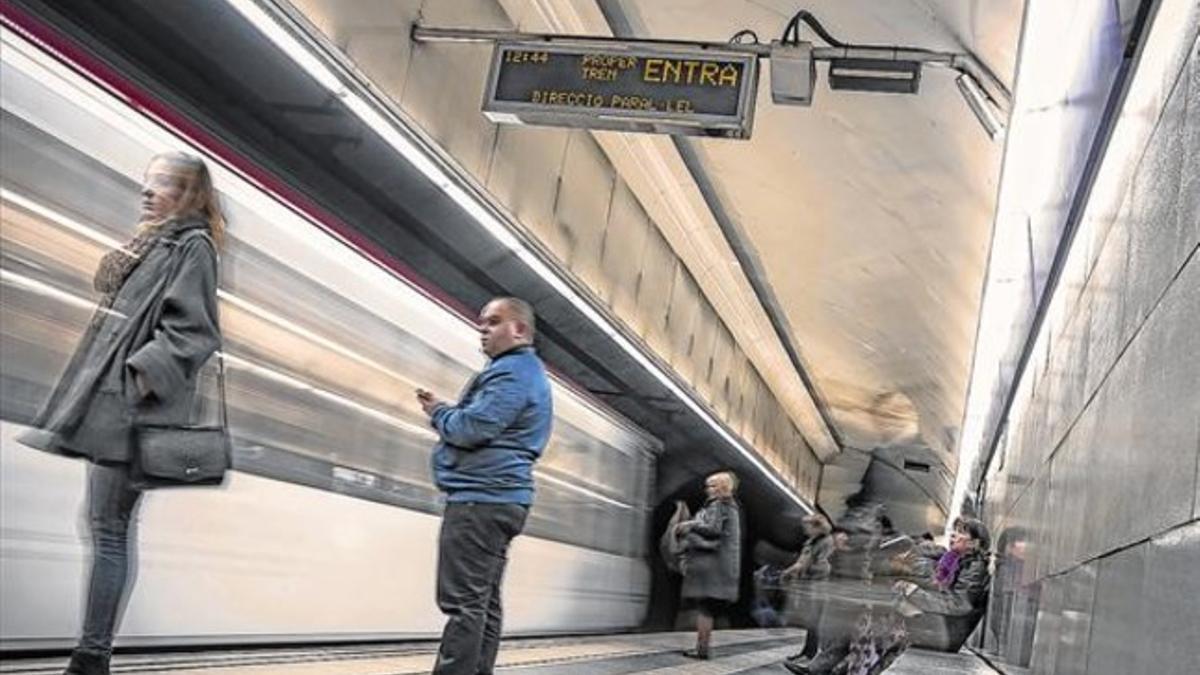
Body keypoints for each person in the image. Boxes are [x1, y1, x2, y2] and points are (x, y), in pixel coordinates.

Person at [19, 152, 225, 675]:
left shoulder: (192, 246)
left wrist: (139, 377)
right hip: (114, 410)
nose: (149, 191)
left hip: (132, 415)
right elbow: (108, 287)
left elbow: (194, 333)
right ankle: (93, 653)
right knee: (105, 526)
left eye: (164, 185)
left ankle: (92, 656)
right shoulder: (156, 242)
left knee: (108, 529)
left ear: (189, 195)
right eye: (149, 182)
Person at [416, 297, 552, 675]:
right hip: (496, 499)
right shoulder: (522, 371)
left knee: (463, 605)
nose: (483, 330)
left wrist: (439, 412)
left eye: (493, 323)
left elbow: (473, 428)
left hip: (481, 500)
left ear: (519, 329)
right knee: (482, 602)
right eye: (481, 324)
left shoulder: (513, 372)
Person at [675, 470, 742, 660]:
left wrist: (690, 525)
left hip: (713, 566)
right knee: (707, 608)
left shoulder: (721, 505)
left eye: (711, 486)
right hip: (719, 565)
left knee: (705, 608)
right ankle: (702, 647)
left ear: (721, 488)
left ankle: (702, 649)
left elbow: (713, 529)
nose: (707, 490)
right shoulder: (728, 506)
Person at [782, 514, 836, 662]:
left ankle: (812, 655)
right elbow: (802, 562)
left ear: (817, 527)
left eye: (807, 526)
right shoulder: (811, 542)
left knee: (815, 623)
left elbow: (824, 567)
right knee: (812, 623)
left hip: (820, 587)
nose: (805, 530)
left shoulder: (827, 542)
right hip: (811, 585)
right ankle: (807, 652)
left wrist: (804, 568)